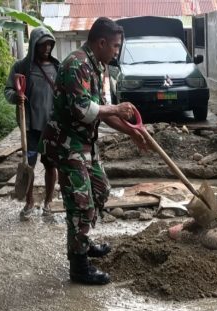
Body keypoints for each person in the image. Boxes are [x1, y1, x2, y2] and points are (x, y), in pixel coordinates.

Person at [40, 17, 147, 285]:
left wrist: (133, 131)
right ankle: (78, 266)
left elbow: (104, 113)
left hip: (86, 144)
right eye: (115, 46)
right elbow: (83, 110)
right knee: (81, 204)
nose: (117, 51)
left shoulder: (99, 67)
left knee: (100, 191)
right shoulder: (76, 64)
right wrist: (116, 109)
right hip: (66, 144)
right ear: (100, 42)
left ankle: (84, 240)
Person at [4, 27, 60, 220]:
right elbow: (8, 90)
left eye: (49, 44)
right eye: (43, 44)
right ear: (34, 45)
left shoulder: (57, 67)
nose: (46, 48)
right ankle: (29, 202)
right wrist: (16, 97)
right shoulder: (21, 67)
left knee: (51, 165)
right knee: (29, 164)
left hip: (51, 128)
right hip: (30, 128)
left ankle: (49, 201)